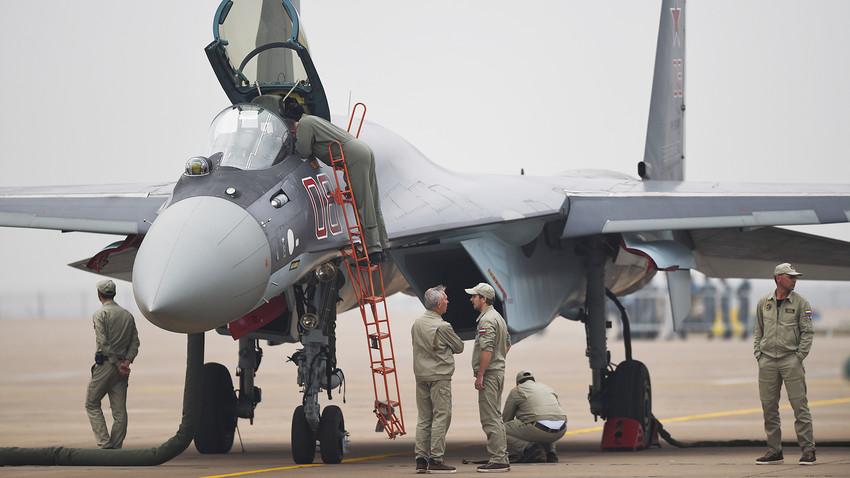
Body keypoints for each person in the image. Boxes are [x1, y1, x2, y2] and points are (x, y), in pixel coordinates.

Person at [282, 99, 389, 262]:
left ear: (292, 129)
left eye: (293, 135)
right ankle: (382, 247)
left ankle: (373, 251)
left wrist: (292, 147)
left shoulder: (304, 125)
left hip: (353, 156)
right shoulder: (311, 120)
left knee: (363, 203)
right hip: (362, 150)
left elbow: (303, 151)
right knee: (372, 202)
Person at [753, 263, 815, 465]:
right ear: (779, 278)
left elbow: (807, 332)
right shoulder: (764, 302)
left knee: (799, 406)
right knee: (769, 407)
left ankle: (808, 451)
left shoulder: (801, 303)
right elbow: (758, 331)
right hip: (768, 360)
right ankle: (774, 450)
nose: (795, 280)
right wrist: (759, 355)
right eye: (791, 277)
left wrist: (799, 357)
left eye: (796, 277)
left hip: (791, 360)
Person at [411, 285, 464, 474]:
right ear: (439, 304)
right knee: (441, 416)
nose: (448, 302)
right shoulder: (443, 326)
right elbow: (459, 347)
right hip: (439, 376)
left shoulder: (417, 323)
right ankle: (436, 458)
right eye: (446, 300)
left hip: (421, 376)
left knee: (424, 418)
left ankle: (420, 459)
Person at [85, 279, 140, 449]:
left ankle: (105, 443)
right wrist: (126, 362)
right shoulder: (127, 315)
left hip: (107, 365)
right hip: (122, 369)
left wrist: (116, 363)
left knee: (92, 403)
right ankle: (116, 448)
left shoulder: (100, 314)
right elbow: (135, 342)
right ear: (114, 294)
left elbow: (104, 341)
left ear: (99, 295)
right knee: (119, 412)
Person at [466, 282, 511, 473]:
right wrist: (498, 360)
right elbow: (508, 344)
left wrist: (482, 374)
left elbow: (487, 348)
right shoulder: (498, 317)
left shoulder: (486, 321)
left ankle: (499, 459)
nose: (471, 299)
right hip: (497, 371)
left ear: (483, 299)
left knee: (490, 418)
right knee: (496, 416)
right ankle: (501, 456)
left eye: (474, 296)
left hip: (490, 375)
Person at [502, 371, 567, 464]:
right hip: (561, 429)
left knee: (498, 429)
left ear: (518, 383)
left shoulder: (517, 390)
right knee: (549, 419)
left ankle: (529, 448)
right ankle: (551, 453)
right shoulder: (548, 388)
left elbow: (507, 418)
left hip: (538, 429)